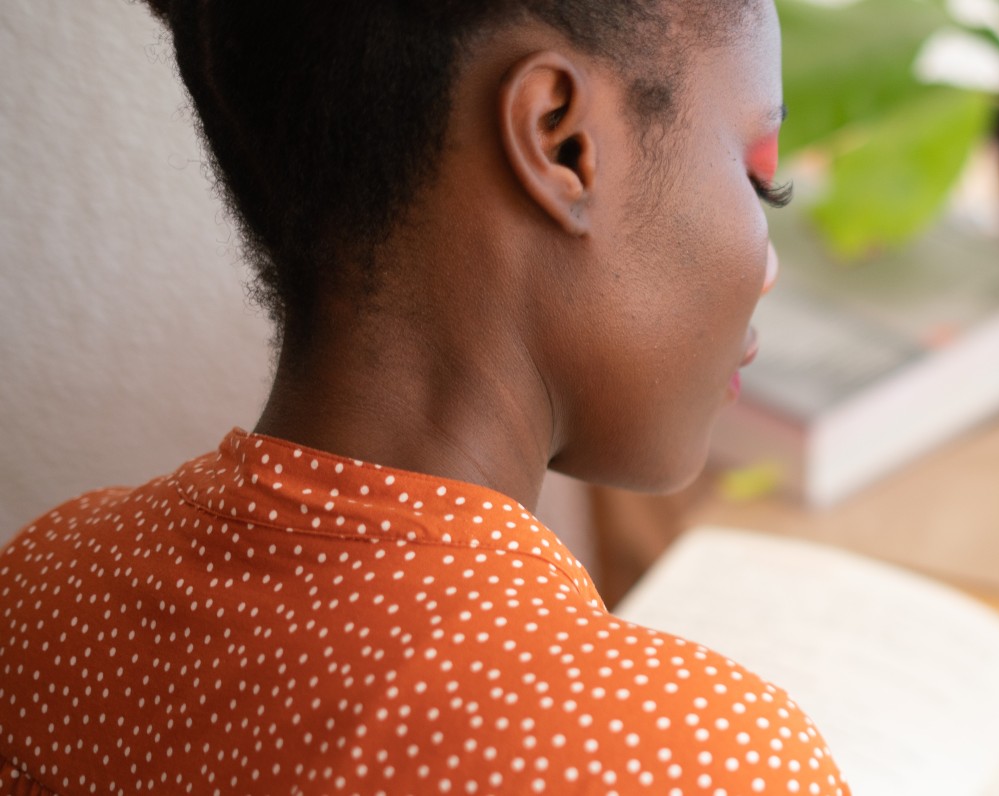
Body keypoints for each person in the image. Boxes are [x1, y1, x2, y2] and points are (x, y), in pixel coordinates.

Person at [0, 0, 846, 793]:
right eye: (758, 177)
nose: (768, 267)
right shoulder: (694, 759)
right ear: (561, 140)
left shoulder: (37, 598)